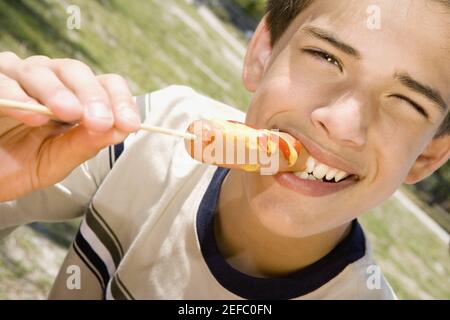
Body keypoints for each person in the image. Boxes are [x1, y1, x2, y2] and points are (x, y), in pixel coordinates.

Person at [0, 0, 449, 299]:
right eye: (326, 58)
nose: (343, 123)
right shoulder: (146, 136)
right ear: (262, 54)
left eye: (407, 102)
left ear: (427, 156)